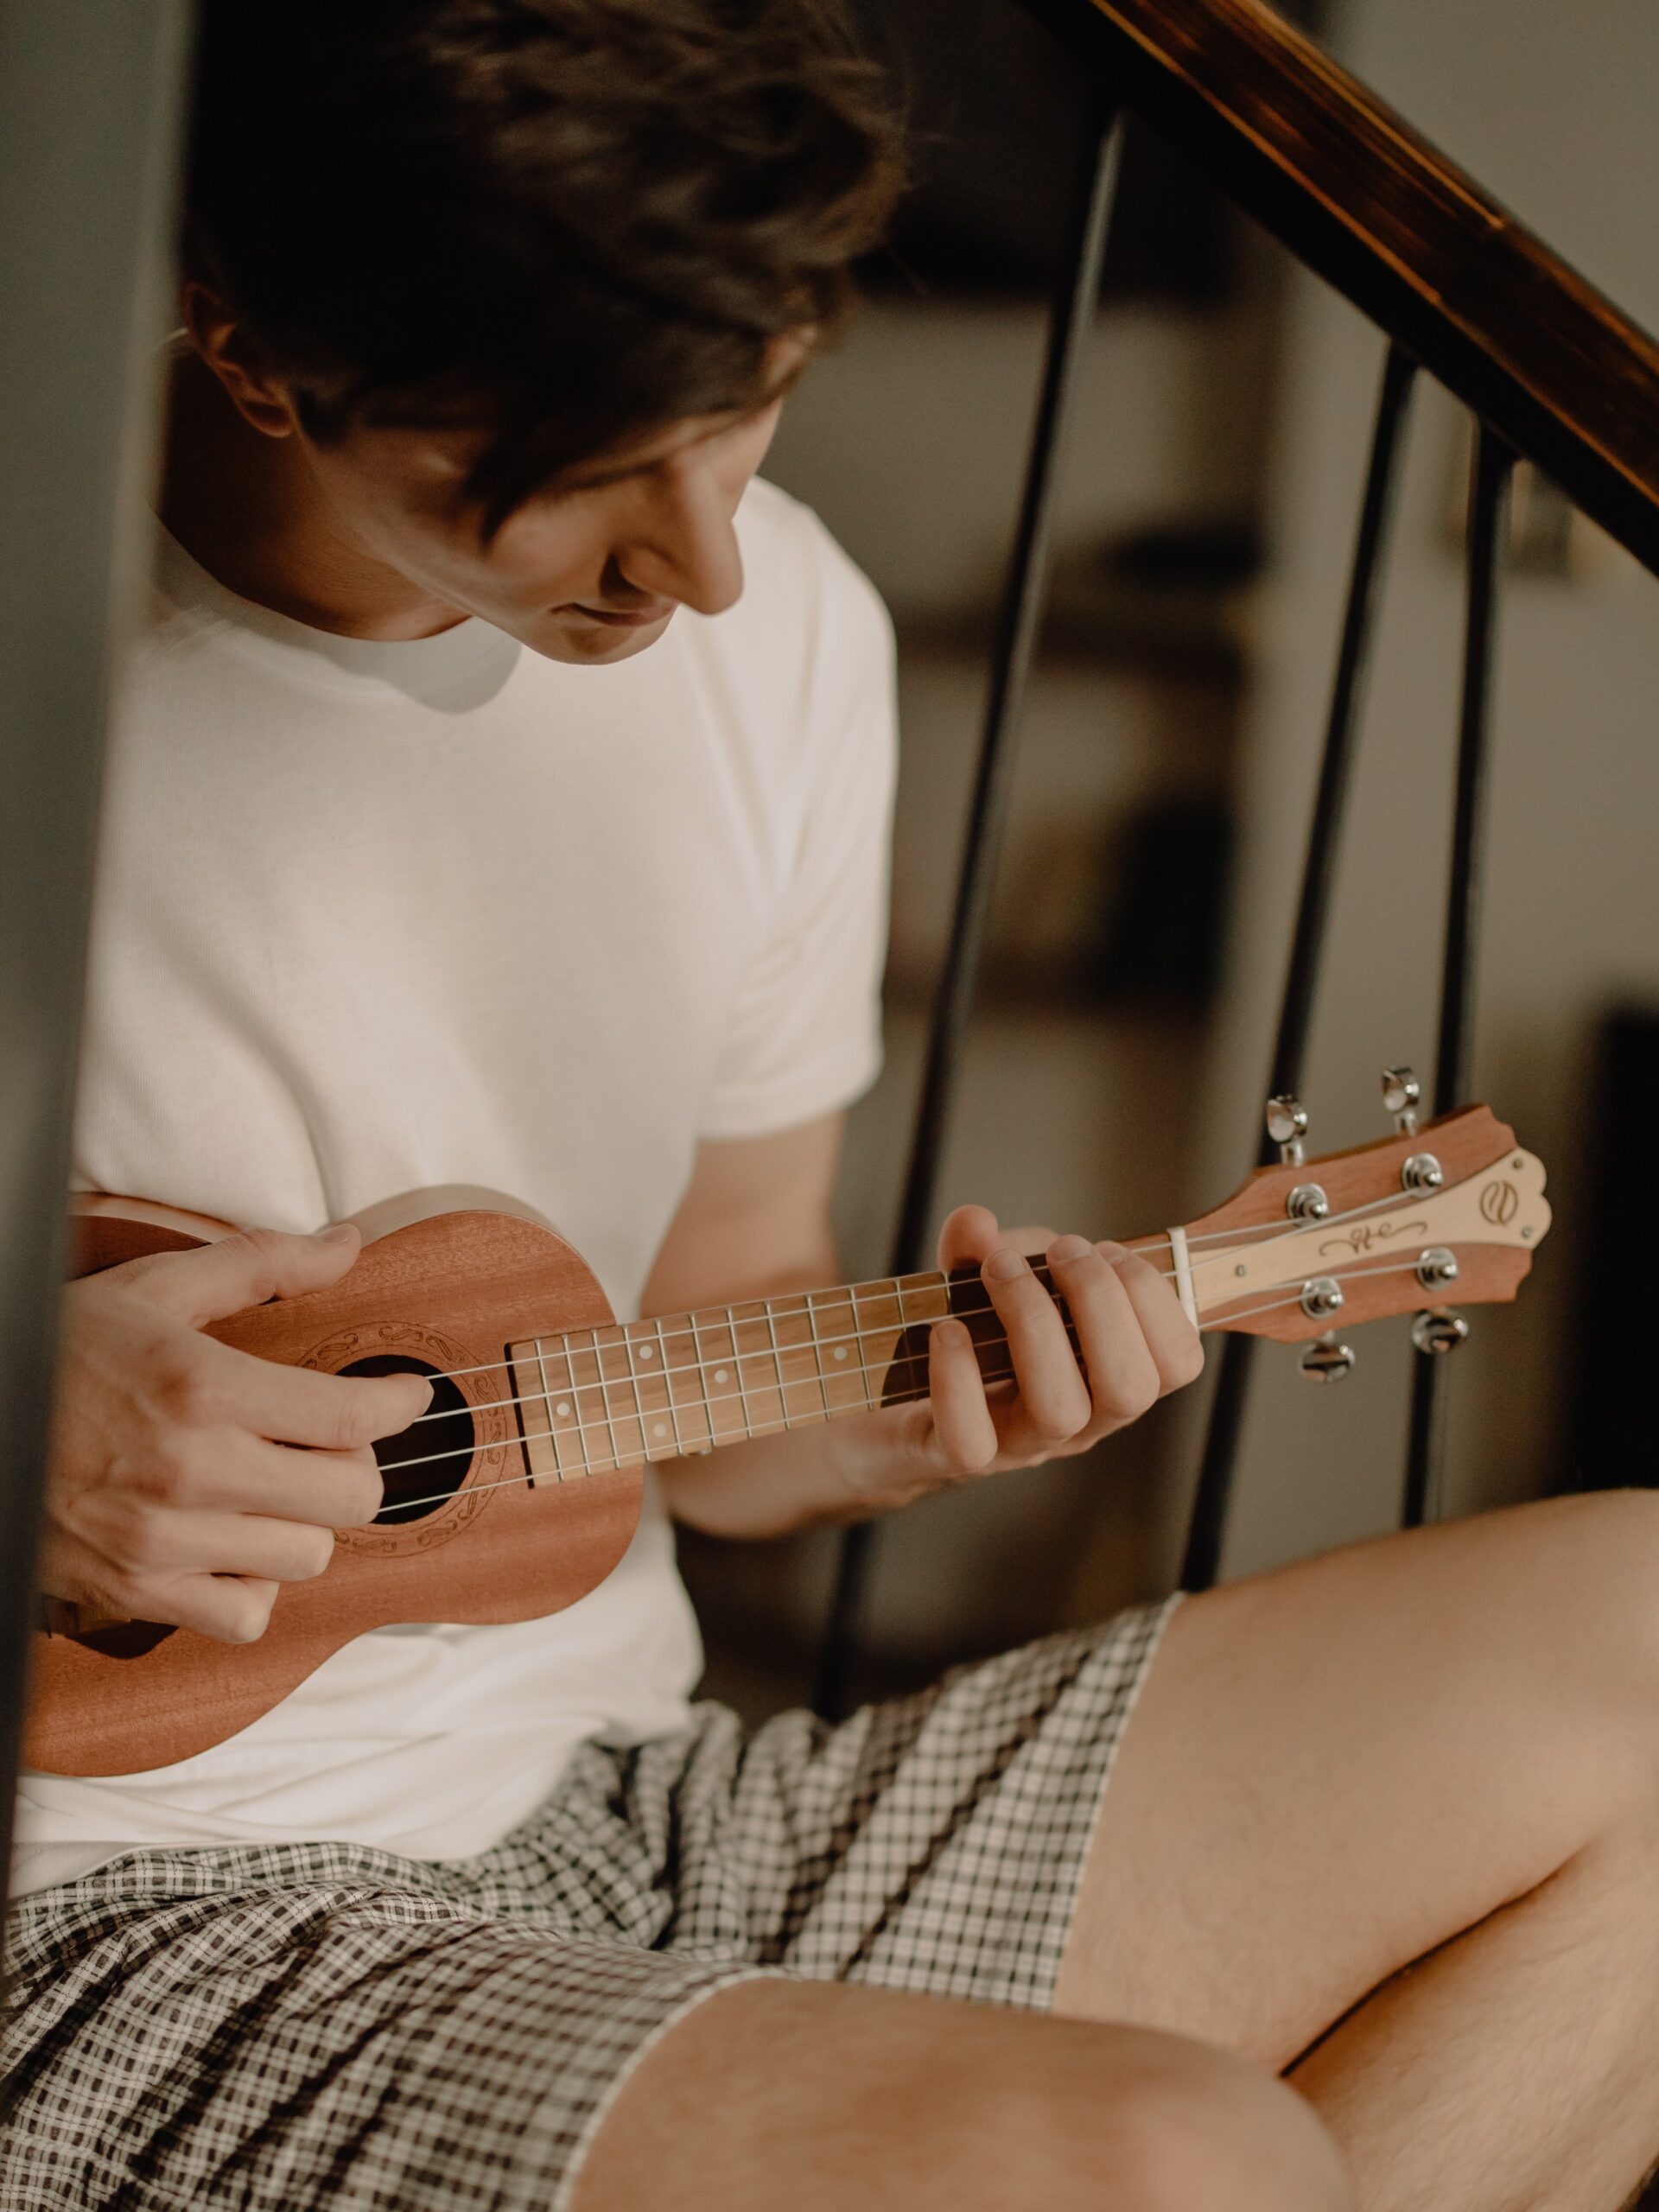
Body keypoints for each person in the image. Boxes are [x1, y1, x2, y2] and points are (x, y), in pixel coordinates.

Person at [5, 7, 1657, 2209]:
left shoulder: (790, 651)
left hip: (632, 1808)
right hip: (111, 1922)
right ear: (243, 330)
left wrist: (889, 1407)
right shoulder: (43, 643)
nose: (701, 564)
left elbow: (716, 1340)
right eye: (582, 459)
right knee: (1171, 2165)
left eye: (750, 411)